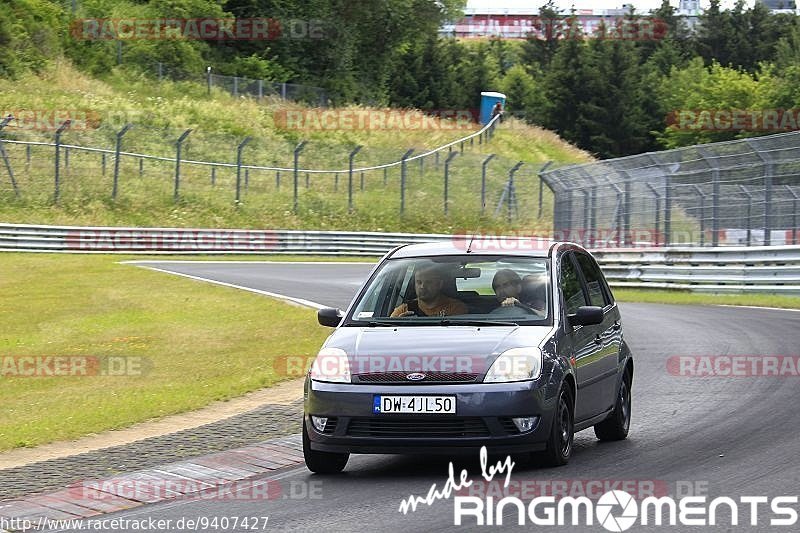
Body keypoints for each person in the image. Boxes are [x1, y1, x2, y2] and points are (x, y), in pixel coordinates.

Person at [390, 263, 467, 317]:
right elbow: (389, 332)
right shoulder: (404, 310)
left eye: (428, 282)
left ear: (439, 285)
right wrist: (400, 323)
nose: (422, 286)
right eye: (419, 282)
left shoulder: (455, 308)